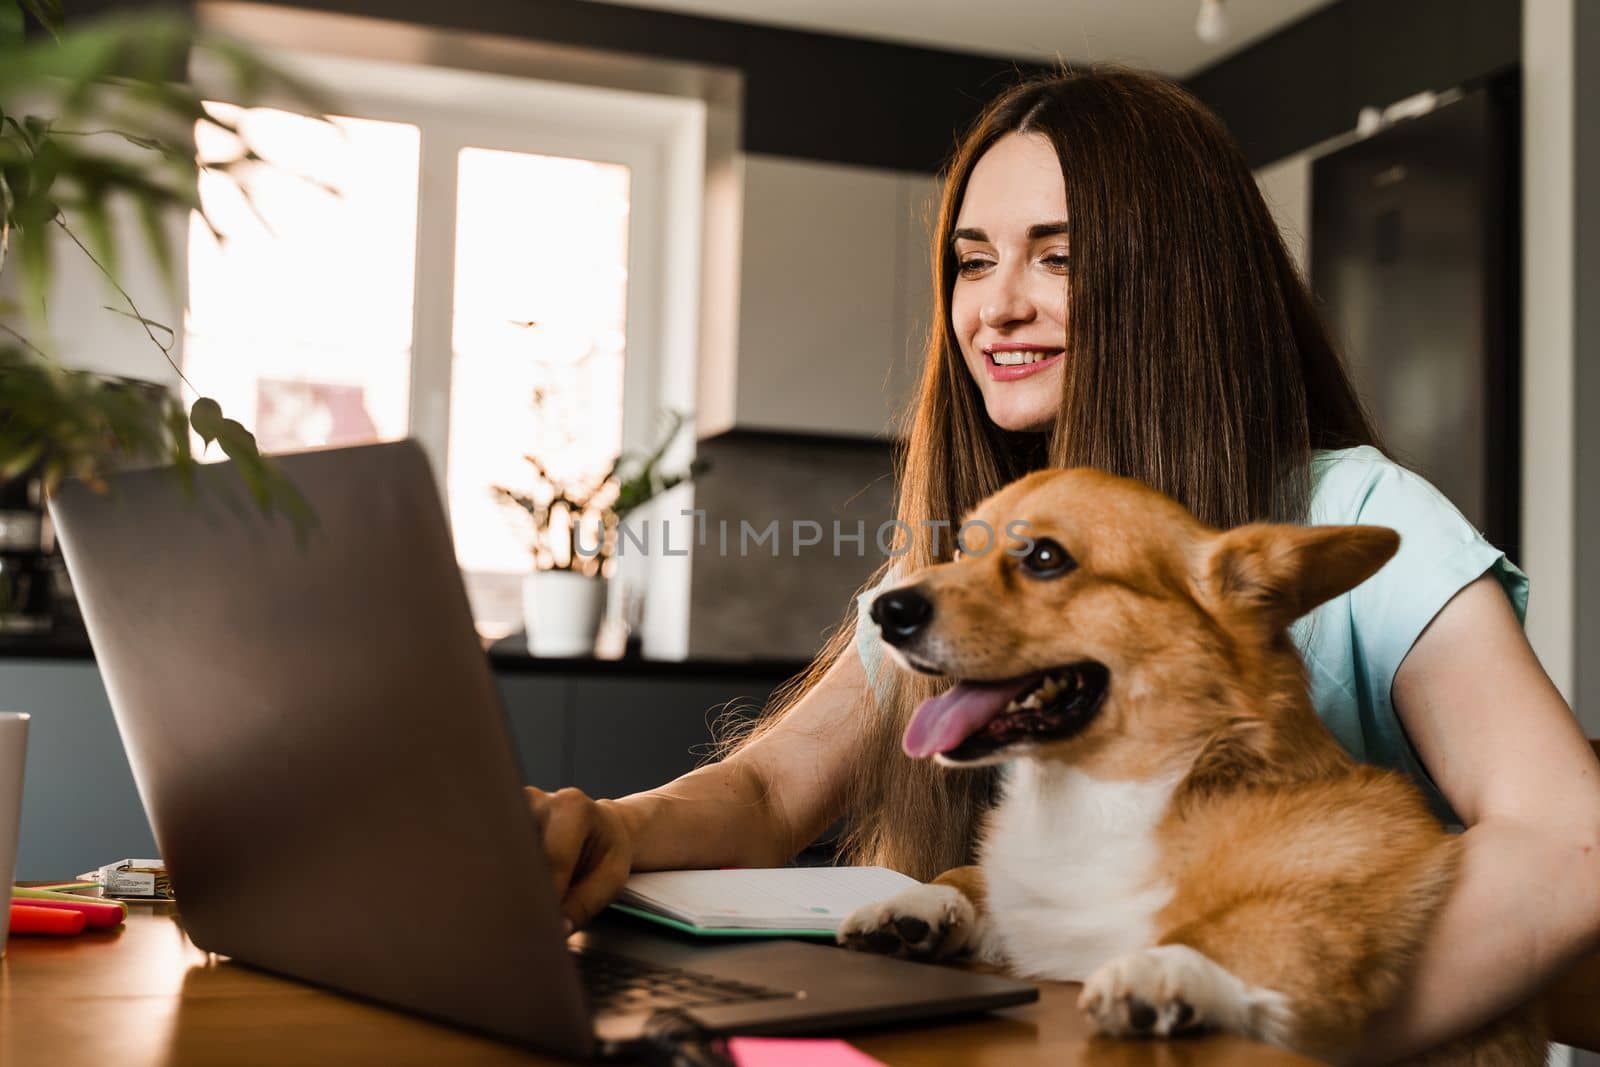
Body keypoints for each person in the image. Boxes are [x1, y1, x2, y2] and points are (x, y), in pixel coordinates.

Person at [525, 67, 1600, 1063]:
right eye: (972, 259)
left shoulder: (1351, 504)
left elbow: (1573, 841)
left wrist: (1275, 1035)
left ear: (1176, 281)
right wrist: (613, 827)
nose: (996, 307)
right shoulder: (975, 552)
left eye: (1059, 255)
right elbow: (767, 787)